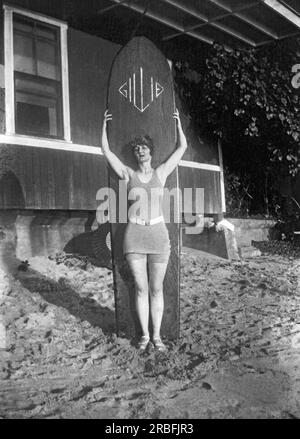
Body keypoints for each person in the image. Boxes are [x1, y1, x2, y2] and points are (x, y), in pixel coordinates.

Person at [101, 108, 187, 351]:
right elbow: (106, 151)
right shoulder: (128, 175)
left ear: (150, 151)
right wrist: (103, 126)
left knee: (156, 288)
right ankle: (145, 336)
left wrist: (179, 125)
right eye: (137, 149)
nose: (140, 151)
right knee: (140, 287)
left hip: (159, 236)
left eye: (144, 148)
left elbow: (181, 149)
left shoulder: (162, 172)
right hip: (135, 236)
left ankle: (158, 336)